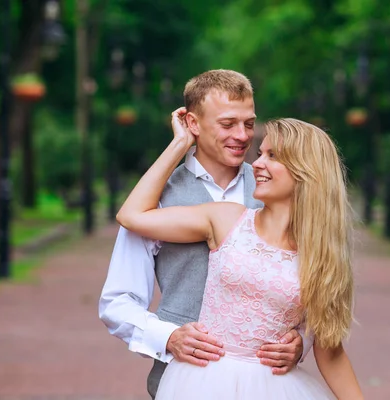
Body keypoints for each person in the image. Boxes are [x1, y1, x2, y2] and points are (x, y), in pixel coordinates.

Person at [116, 110, 363, 399]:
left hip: (276, 388)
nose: (256, 164)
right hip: (201, 383)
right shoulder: (226, 219)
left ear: (306, 171)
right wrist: (180, 144)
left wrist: (301, 342)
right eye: (260, 153)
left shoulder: (322, 257)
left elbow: (330, 352)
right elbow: (131, 215)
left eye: (273, 156)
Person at [98, 70, 310, 399]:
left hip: (265, 384)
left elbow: (309, 283)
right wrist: (168, 337)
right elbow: (117, 301)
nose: (243, 136)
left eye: (249, 123)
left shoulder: (276, 189)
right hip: (183, 382)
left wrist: (301, 339)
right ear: (193, 124)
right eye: (228, 124)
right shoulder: (153, 200)